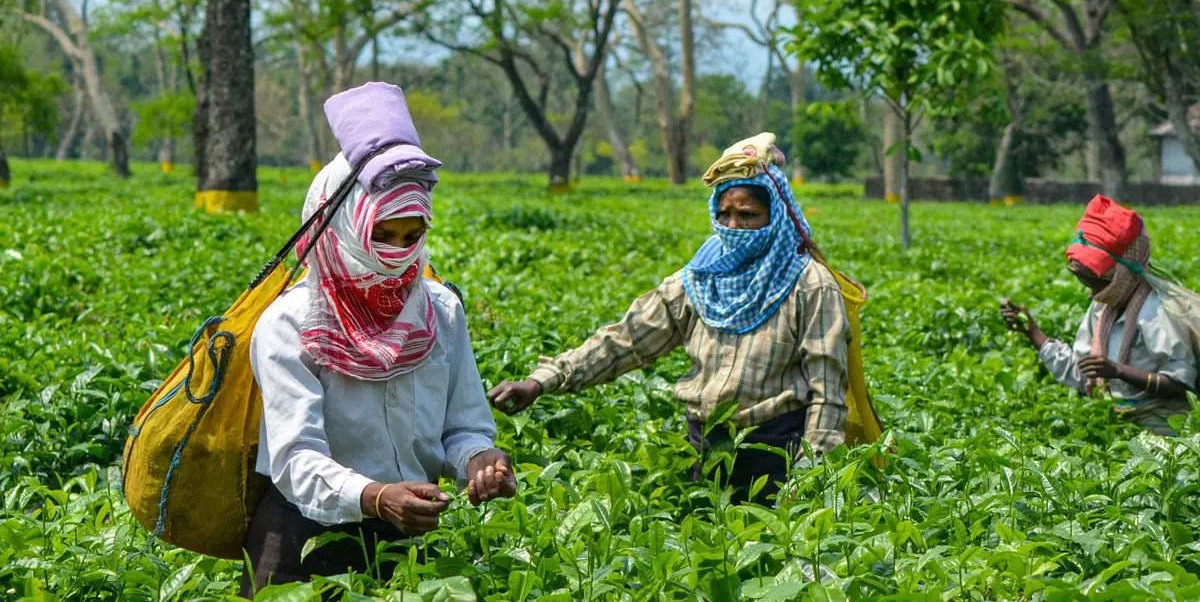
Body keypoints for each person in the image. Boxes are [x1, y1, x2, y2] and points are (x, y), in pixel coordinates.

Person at [242, 82, 517, 595]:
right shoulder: (293, 323)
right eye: (381, 236)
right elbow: (295, 459)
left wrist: (478, 461)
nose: (395, 253)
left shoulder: (440, 311)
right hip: (303, 544)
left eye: (411, 238)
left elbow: (463, 427)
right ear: (344, 227)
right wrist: (373, 496)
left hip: (408, 542)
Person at [488, 132, 849, 503]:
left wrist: (808, 480)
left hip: (775, 456)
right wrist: (541, 381)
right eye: (724, 213)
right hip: (704, 450)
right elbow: (626, 339)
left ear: (775, 216)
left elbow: (828, 393)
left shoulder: (809, 285)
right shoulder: (699, 277)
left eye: (748, 215)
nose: (734, 226)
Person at [1002, 194, 1199, 434]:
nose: (1092, 295)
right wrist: (1032, 332)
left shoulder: (1158, 313)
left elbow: (1181, 385)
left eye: (1096, 283)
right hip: (1114, 426)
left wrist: (1118, 372)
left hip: (1163, 432)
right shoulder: (1104, 308)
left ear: (1122, 274)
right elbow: (1084, 372)